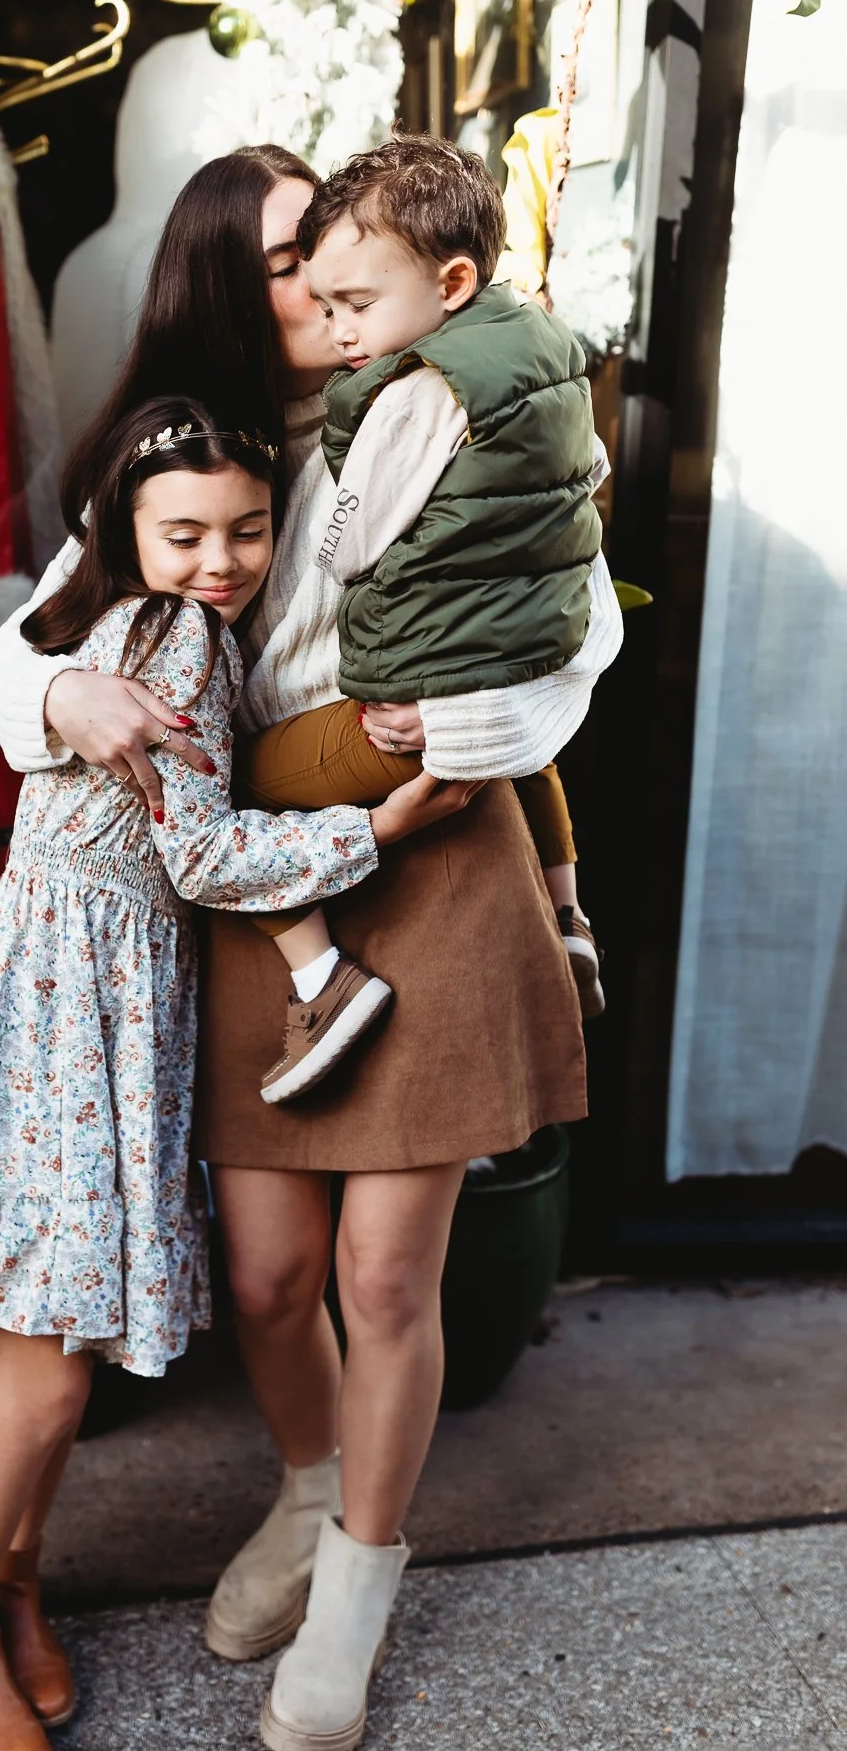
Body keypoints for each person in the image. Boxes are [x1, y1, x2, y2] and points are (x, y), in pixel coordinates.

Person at [0, 147, 597, 1751]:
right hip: (267, 884)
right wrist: (61, 701)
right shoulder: (196, 456)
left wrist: (469, 726)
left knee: (385, 1272)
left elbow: (569, 617)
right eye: (280, 258)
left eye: (330, 244)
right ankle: (309, 1487)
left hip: (432, 849)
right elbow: (20, 647)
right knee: (263, 1271)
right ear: (218, 286)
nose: (319, 277)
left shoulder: (451, 403)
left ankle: (354, 1592)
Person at [0, 393, 448, 1751]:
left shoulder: (141, 630)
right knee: (46, 1381)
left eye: (249, 529)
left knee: (51, 1339)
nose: (223, 559)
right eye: (184, 531)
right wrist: (374, 828)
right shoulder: (169, 636)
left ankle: (7, 1595)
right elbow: (201, 858)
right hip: (68, 1016)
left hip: (79, 1002)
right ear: (126, 531)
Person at [240, 132, 621, 1104]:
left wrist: (448, 715)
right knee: (533, 763)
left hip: (387, 736)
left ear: (448, 281)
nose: (336, 326)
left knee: (215, 792)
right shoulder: (526, 349)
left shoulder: (411, 397)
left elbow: (352, 540)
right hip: (464, 735)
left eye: (348, 300)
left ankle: (320, 980)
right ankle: (571, 915)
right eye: (307, 291)